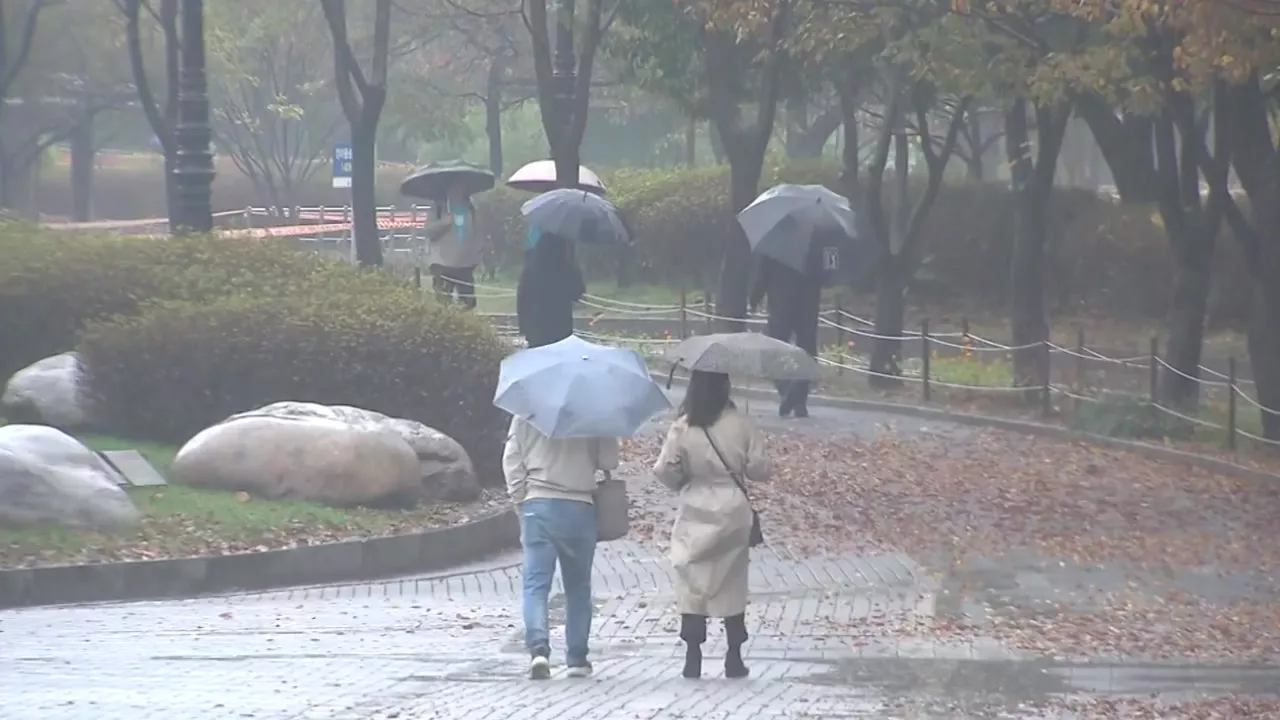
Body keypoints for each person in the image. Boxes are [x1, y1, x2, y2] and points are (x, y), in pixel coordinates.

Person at [652, 370, 770, 679]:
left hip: (695, 505)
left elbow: (665, 469)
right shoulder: (742, 423)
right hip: (733, 507)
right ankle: (734, 655)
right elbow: (759, 470)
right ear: (725, 386)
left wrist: (684, 481)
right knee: (731, 582)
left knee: (692, 581)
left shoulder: (684, 426)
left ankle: (693, 655)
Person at [504, 415, 619, 679]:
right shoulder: (592, 413)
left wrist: (521, 502)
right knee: (578, 587)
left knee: (535, 584)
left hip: (539, 503)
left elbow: (512, 461)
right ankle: (577, 658)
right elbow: (609, 462)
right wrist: (608, 430)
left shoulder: (527, 413)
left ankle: (539, 650)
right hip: (580, 506)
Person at [749, 230, 841, 418]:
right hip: (808, 302)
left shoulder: (774, 236)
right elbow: (827, 273)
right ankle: (800, 401)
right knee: (806, 350)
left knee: (773, 349)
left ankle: (787, 389)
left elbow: (762, 270)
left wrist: (755, 296)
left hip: (780, 302)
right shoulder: (817, 237)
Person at [516, 231, 585, 348]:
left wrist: (523, 326)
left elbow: (522, 295)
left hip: (535, 326)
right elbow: (578, 291)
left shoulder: (531, 266)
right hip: (560, 326)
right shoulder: (565, 267)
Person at [424, 184, 481, 309]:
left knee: (468, 303)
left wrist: (477, 253)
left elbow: (475, 232)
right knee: (443, 302)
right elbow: (428, 232)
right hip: (442, 264)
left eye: (460, 189)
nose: (457, 192)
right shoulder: (438, 207)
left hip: (465, 263)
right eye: (453, 189)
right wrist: (443, 223)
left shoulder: (470, 207)